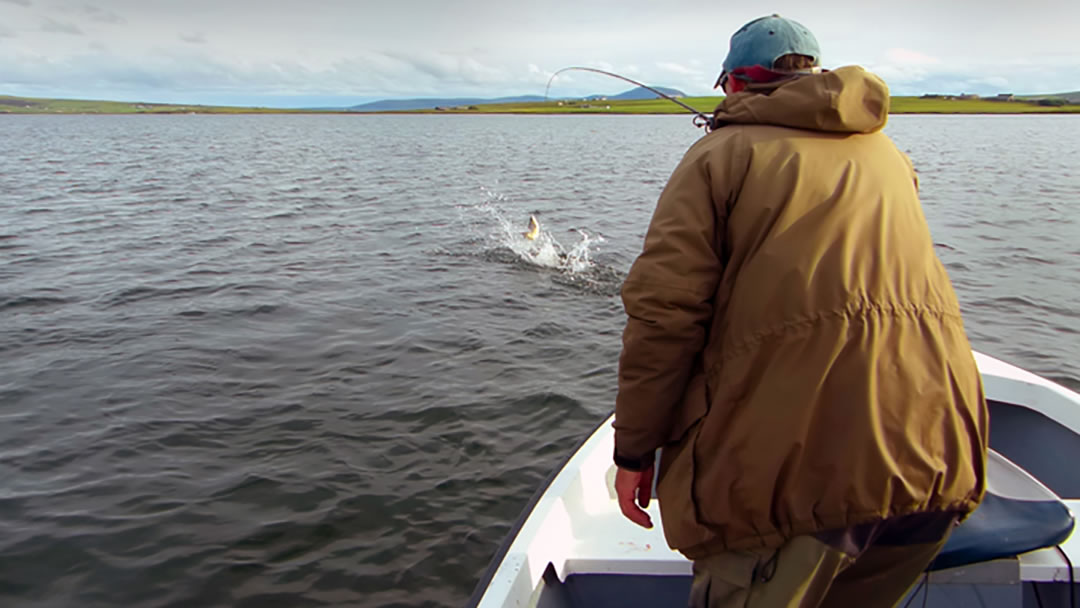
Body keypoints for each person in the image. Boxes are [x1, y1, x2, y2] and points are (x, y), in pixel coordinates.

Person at [611, 14, 989, 608]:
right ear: (815, 75)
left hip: (801, 488)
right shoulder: (887, 152)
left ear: (733, 85)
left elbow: (664, 315)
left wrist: (634, 451)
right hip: (938, 464)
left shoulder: (718, 157)